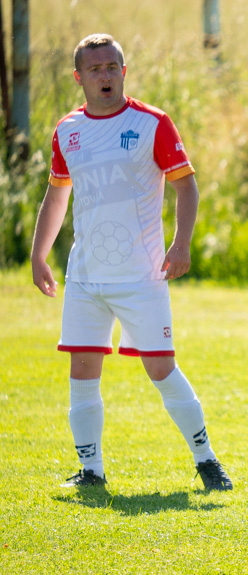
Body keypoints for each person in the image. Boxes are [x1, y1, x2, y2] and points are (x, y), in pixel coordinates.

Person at [30, 34, 232, 491]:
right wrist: (39, 254)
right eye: (96, 69)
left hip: (143, 275)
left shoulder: (152, 124)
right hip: (85, 277)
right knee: (82, 371)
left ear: (125, 70)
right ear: (79, 77)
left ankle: (207, 462)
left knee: (161, 368)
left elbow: (186, 185)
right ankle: (91, 471)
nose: (105, 75)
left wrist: (181, 244)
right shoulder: (67, 130)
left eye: (113, 67)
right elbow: (57, 194)